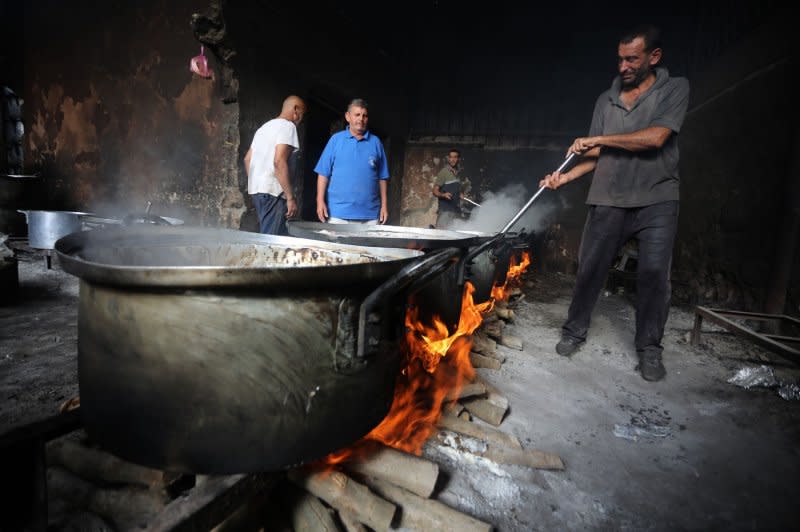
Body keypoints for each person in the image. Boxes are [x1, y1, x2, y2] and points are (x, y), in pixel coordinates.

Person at [538, 24, 690, 382]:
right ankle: (574, 331)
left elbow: (655, 138)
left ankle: (650, 349)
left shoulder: (675, 88)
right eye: (620, 59)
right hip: (608, 197)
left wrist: (597, 139)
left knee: (654, 274)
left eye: (631, 59)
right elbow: (597, 155)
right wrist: (566, 177)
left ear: (654, 57)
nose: (622, 67)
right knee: (590, 269)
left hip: (657, 198)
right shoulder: (605, 100)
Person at [314, 98, 389, 224]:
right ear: (348, 117)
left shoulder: (376, 142)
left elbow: (383, 177)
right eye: (357, 115)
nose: (361, 119)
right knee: (335, 245)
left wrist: (384, 206)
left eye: (364, 116)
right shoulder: (336, 140)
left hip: (370, 215)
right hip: (338, 213)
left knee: (365, 245)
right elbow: (323, 173)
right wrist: (320, 201)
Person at [244, 94, 306, 235]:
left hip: (258, 191)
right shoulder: (288, 127)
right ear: (295, 110)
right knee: (270, 242)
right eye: (302, 113)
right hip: (274, 193)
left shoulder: (264, 128)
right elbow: (279, 161)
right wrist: (290, 197)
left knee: (268, 236)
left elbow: (248, 159)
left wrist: (257, 183)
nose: (302, 119)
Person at [432, 148, 464, 228]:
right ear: (448, 158)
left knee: (456, 237)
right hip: (445, 212)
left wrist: (460, 194)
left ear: (458, 159)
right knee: (441, 237)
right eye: (451, 157)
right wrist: (443, 195)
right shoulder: (444, 172)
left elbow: (455, 189)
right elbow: (434, 191)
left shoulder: (458, 174)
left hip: (456, 212)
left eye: (455, 157)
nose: (452, 159)